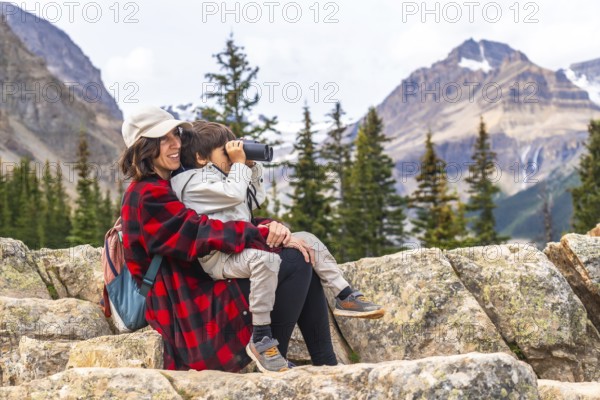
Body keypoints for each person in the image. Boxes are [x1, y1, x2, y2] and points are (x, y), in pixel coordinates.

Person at [118, 105, 337, 373]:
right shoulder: (146, 195)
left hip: (205, 284)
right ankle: (270, 354)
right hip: (188, 305)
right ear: (144, 148)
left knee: (303, 254)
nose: (175, 144)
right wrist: (262, 233)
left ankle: (327, 364)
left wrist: (271, 227)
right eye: (163, 140)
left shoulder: (171, 182)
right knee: (293, 260)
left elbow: (221, 219)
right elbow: (199, 232)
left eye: (175, 135)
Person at [170, 121, 385, 347]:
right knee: (275, 260)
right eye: (226, 151)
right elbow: (234, 195)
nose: (234, 155)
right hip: (220, 259)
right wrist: (240, 164)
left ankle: (345, 295)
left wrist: (251, 166)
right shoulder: (193, 183)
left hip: (241, 246)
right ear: (201, 158)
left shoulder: (221, 176)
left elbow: (256, 199)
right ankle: (262, 336)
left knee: (307, 240)